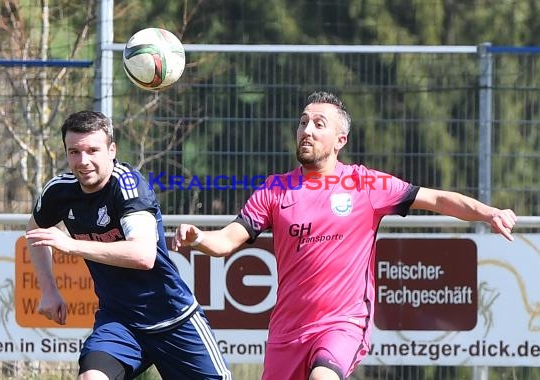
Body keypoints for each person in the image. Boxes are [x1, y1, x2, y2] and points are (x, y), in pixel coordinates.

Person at [172, 91, 517, 380]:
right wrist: (198, 237)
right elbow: (228, 239)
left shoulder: (365, 184)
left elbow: (438, 199)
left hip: (342, 323)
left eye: (318, 124)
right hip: (287, 331)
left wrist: (489, 213)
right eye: (303, 122)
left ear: (341, 140)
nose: (307, 130)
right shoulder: (276, 190)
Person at [25, 111, 232, 380]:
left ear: (112, 150)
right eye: (74, 152)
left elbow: (143, 254)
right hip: (119, 322)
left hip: (173, 319)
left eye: (92, 150)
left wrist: (71, 245)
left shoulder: (129, 186)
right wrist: (49, 290)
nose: (83, 161)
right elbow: (34, 231)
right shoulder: (59, 191)